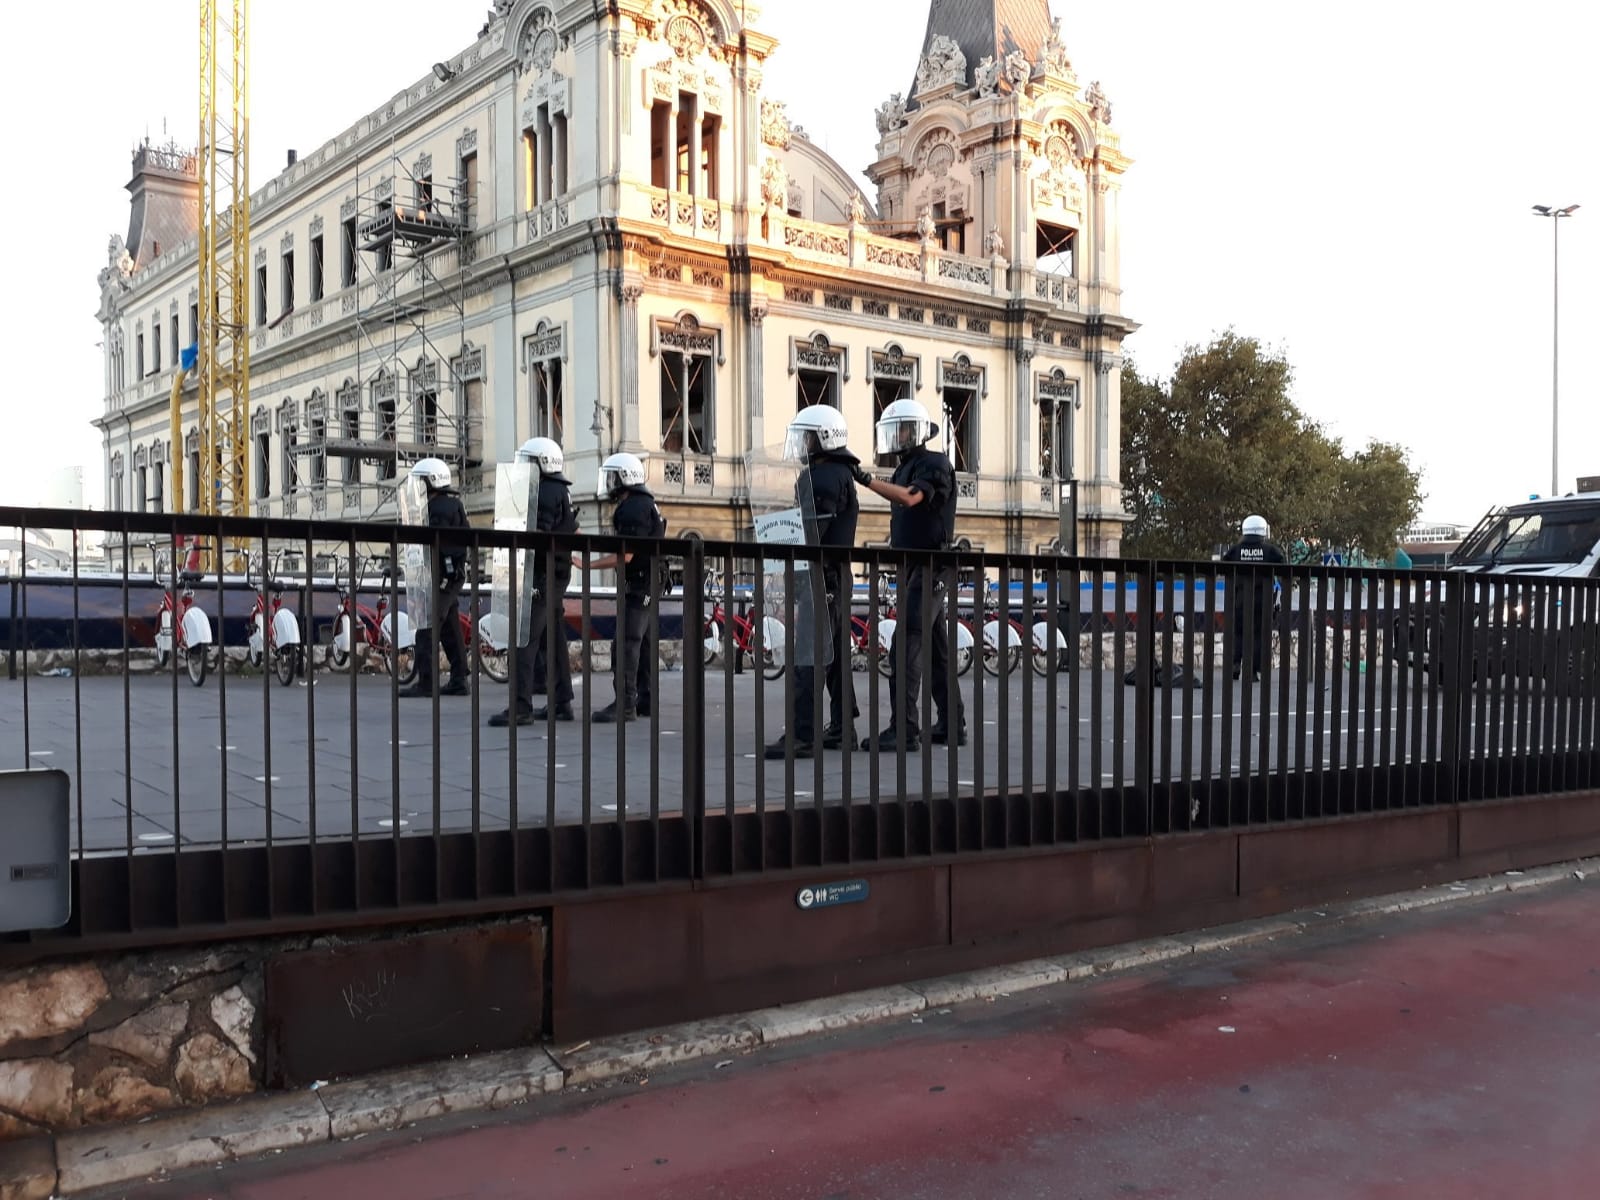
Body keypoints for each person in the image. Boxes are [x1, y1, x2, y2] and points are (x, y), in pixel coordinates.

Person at [850, 398, 965, 751]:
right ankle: (951, 724)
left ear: (914, 431)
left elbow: (912, 499)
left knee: (905, 645)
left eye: (900, 429)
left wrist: (867, 480)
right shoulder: (907, 466)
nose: (896, 436)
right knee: (935, 651)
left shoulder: (934, 464)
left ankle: (904, 728)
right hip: (916, 565)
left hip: (931, 564)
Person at [765, 405, 861, 759]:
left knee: (809, 653)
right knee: (833, 655)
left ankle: (803, 735)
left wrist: (779, 542)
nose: (802, 444)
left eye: (806, 437)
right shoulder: (839, 474)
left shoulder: (819, 478)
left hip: (821, 575)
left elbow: (809, 533)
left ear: (822, 437)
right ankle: (841, 727)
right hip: (837, 575)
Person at [572, 452, 666, 723]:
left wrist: (585, 565)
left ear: (625, 477)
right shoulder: (645, 502)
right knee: (644, 642)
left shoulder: (632, 508)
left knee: (626, 642)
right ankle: (646, 700)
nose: (611, 483)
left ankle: (625, 704)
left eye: (614, 477)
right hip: (651, 580)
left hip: (640, 581)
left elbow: (626, 555)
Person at [490, 437, 577, 727]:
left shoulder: (541, 490)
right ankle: (562, 702)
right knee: (553, 639)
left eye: (528, 461)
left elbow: (537, 534)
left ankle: (520, 707)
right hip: (557, 571)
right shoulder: (561, 490)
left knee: (523, 638)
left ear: (542, 462)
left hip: (539, 572)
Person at [400, 457, 471, 697]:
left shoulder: (434, 509)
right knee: (450, 626)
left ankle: (427, 682)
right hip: (453, 575)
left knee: (427, 626)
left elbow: (432, 545)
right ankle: (460, 677)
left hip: (441, 575)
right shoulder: (454, 504)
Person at [1221, 514, 1287, 681]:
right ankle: (1252, 670)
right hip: (1262, 599)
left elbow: (1224, 565)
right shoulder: (1270, 551)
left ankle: (1235, 665)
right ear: (1263, 531)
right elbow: (1283, 566)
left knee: (1238, 632)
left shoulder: (1235, 550)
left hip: (1239, 599)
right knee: (1259, 634)